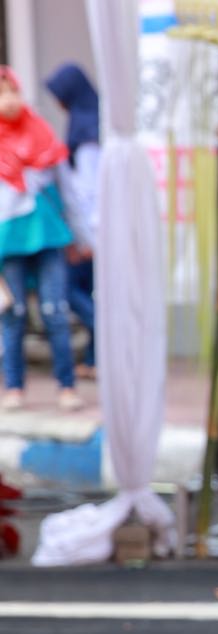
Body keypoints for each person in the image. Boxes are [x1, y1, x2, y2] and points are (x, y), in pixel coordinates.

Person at [0, 66, 84, 411]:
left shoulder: (42, 134)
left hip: (47, 235)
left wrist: (82, 236)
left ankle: (66, 385)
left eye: (11, 90)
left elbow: (69, 190)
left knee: (55, 310)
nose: (7, 99)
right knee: (13, 312)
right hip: (8, 240)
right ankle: (14, 386)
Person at [45, 63, 99, 381]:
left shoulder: (85, 130)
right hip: (89, 227)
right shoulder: (88, 121)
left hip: (89, 228)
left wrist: (84, 237)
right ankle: (94, 360)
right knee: (87, 290)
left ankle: (103, 337)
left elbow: (88, 189)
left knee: (69, 290)